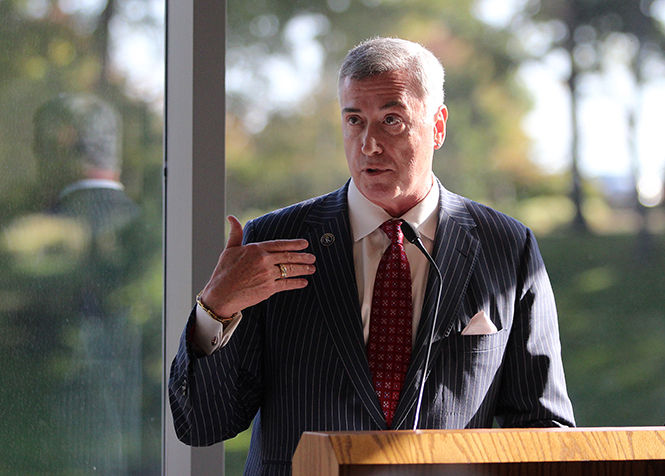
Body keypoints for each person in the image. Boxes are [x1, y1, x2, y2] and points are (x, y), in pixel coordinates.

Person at [169, 37, 575, 475]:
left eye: (392, 120)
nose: (368, 145)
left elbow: (543, 429)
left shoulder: (508, 249)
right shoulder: (274, 242)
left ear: (438, 126)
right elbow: (201, 424)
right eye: (354, 119)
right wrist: (215, 309)